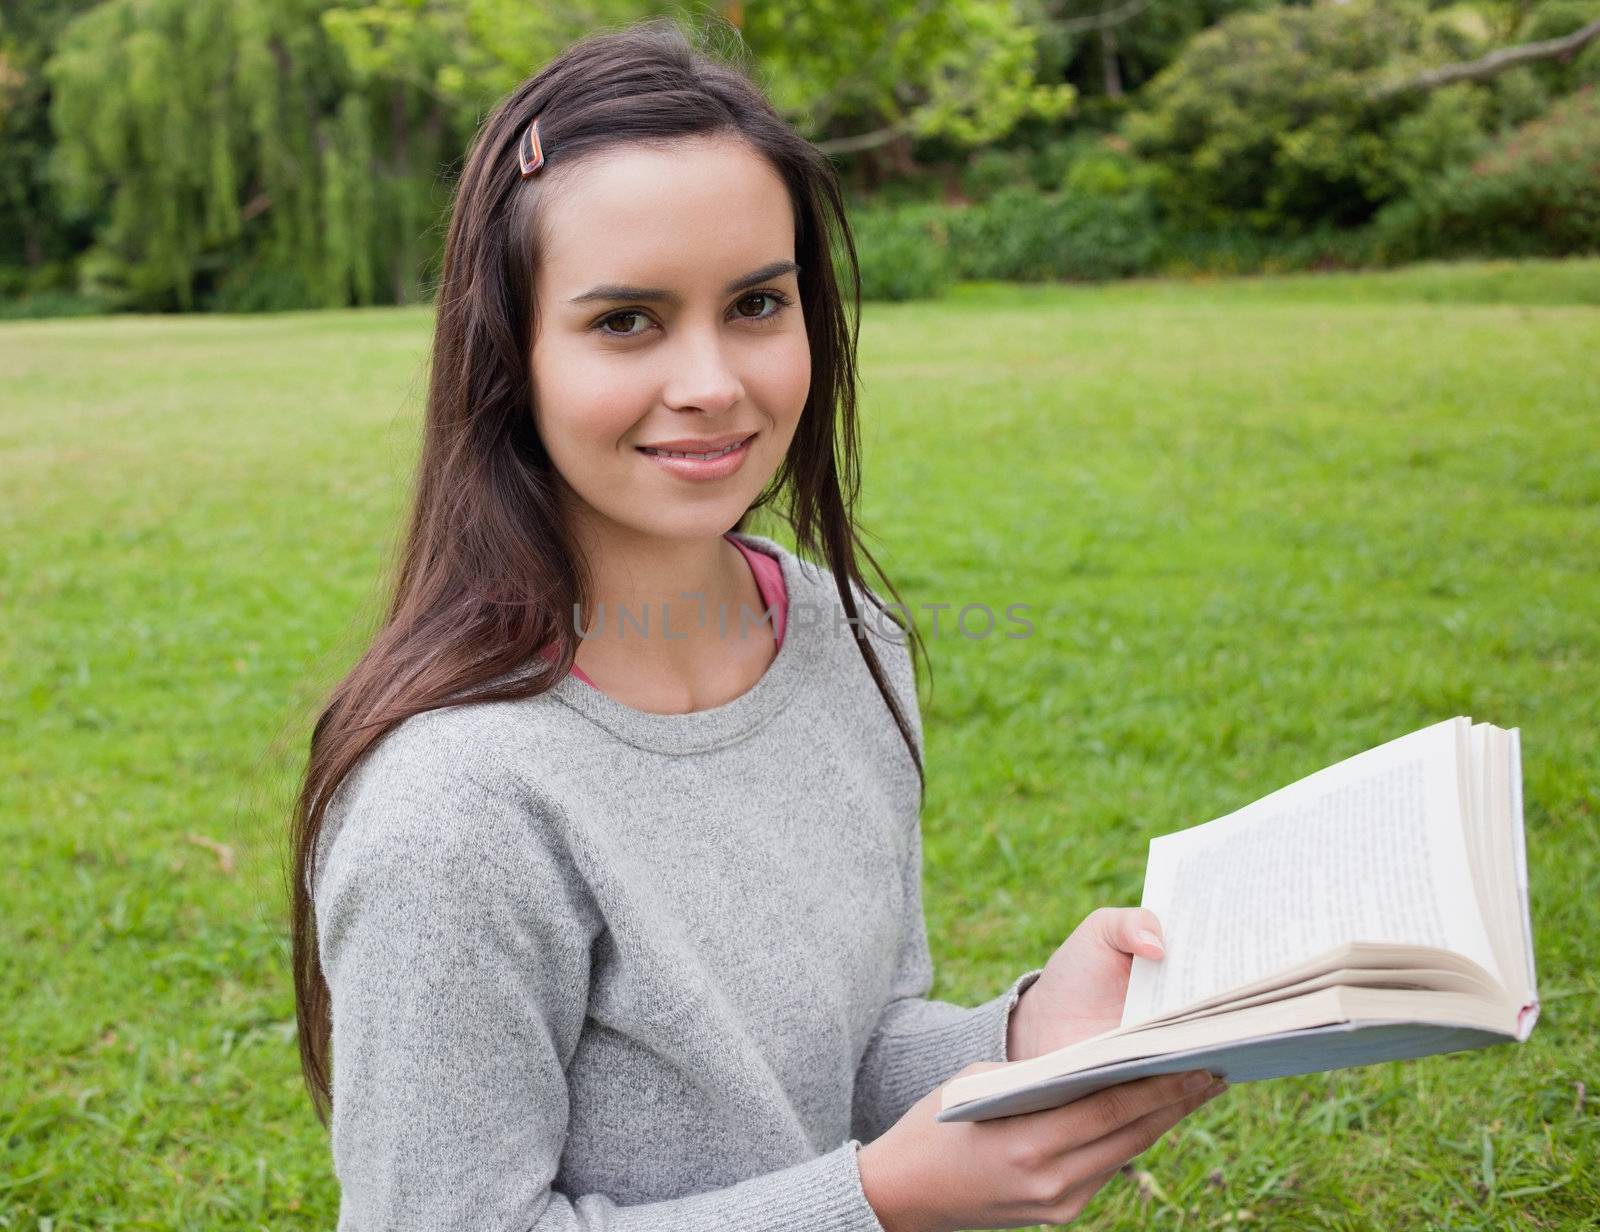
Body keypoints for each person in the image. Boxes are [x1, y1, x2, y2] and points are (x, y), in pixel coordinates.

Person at [287, 16, 1226, 1231]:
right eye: (625, 319)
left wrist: (1027, 1033)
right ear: (506, 354)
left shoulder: (844, 633)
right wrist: (876, 1203)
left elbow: (858, 1043)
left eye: (755, 304)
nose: (713, 382)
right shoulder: (452, 807)